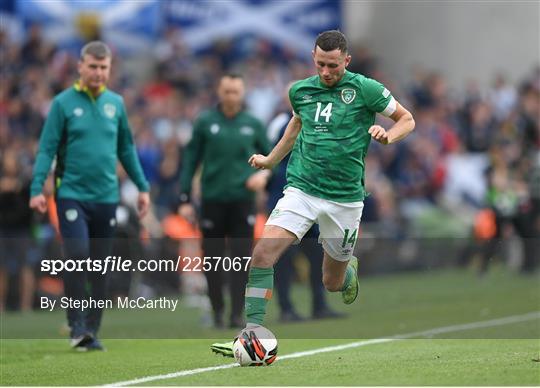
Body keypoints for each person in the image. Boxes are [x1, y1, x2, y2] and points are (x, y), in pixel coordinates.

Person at [210, 30, 415, 356]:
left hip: (345, 198)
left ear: (346, 61)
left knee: (330, 283)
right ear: (313, 58)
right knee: (263, 254)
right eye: (320, 64)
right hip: (302, 189)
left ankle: (348, 271)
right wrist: (271, 160)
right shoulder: (301, 91)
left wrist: (388, 136)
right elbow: (295, 125)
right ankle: (252, 331)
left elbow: (407, 119)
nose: (325, 72)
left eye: (333, 66)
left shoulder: (366, 89)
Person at [29, 41, 150, 351]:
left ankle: (91, 331)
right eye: (93, 67)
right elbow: (46, 149)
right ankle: (76, 324)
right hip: (71, 194)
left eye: (103, 68)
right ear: (80, 66)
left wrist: (142, 187)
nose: (98, 73)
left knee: (100, 265)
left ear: (109, 69)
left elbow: (126, 148)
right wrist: (36, 189)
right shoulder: (63, 104)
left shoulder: (116, 104)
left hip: (106, 197)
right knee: (78, 255)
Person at [179, 74, 271, 329]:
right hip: (212, 199)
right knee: (213, 258)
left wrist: (263, 175)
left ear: (242, 93)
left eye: (235, 92)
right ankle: (217, 309)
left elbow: (271, 156)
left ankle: (236, 313)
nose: (231, 96)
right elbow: (190, 160)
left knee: (241, 258)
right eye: (227, 91)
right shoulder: (205, 122)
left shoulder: (252, 123)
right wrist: (185, 197)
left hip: (243, 200)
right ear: (219, 92)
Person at [267, 92, 345, 322]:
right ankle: (286, 308)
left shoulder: (317, 122)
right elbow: (274, 160)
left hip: (311, 199)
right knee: (284, 257)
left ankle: (319, 305)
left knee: (316, 254)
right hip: (286, 200)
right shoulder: (280, 125)